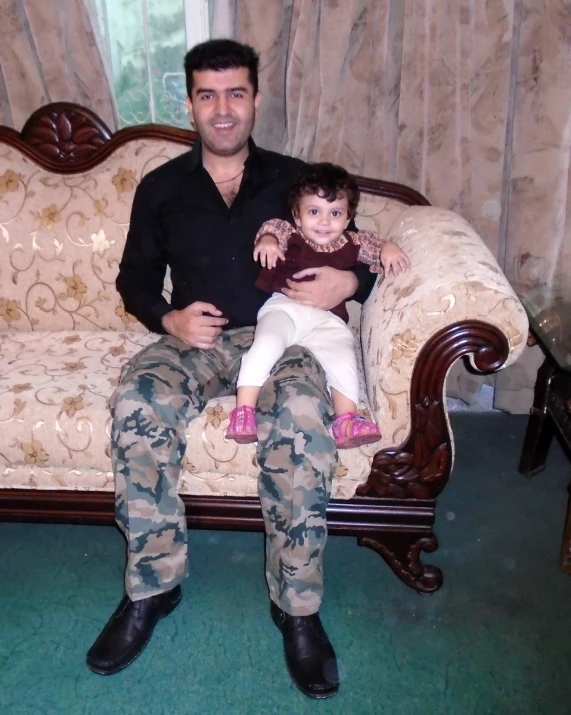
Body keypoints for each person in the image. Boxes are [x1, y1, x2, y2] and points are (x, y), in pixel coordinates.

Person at [86, 38, 377, 700]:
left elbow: (355, 244)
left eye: (235, 93)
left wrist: (345, 284)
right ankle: (153, 587)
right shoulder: (161, 187)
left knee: (305, 419)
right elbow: (134, 281)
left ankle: (296, 606)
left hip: (290, 334)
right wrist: (168, 319)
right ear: (189, 103)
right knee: (137, 399)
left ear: (255, 99)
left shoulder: (296, 179)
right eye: (207, 95)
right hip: (202, 338)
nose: (222, 110)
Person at [226, 162, 410, 448]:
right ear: (298, 217)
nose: (324, 222)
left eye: (335, 213)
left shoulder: (354, 241)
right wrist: (269, 242)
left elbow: (377, 247)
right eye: (314, 212)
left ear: (348, 218)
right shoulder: (291, 233)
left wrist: (389, 248)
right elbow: (272, 230)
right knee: (266, 344)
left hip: (328, 321)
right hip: (285, 308)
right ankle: (244, 410)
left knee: (343, 358)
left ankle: (346, 419)